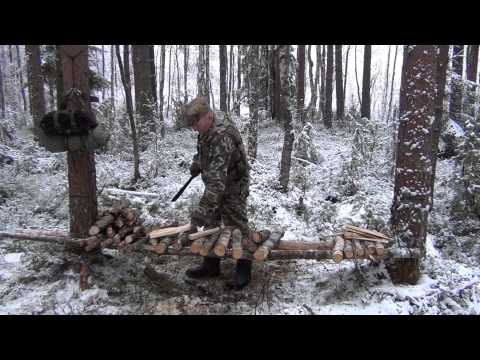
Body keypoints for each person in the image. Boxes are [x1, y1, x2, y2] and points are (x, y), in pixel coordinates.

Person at [180, 96, 252, 290]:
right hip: (218, 179)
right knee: (212, 223)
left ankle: (244, 268)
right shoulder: (207, 126)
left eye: (195, 124)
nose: (194, 128)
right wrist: (198, 162)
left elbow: (217, 185)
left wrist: (199, 215)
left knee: (237, 226)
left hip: (234, 184)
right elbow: (203, 146)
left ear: (208, 117)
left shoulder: (222, 136)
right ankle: (211, 265)